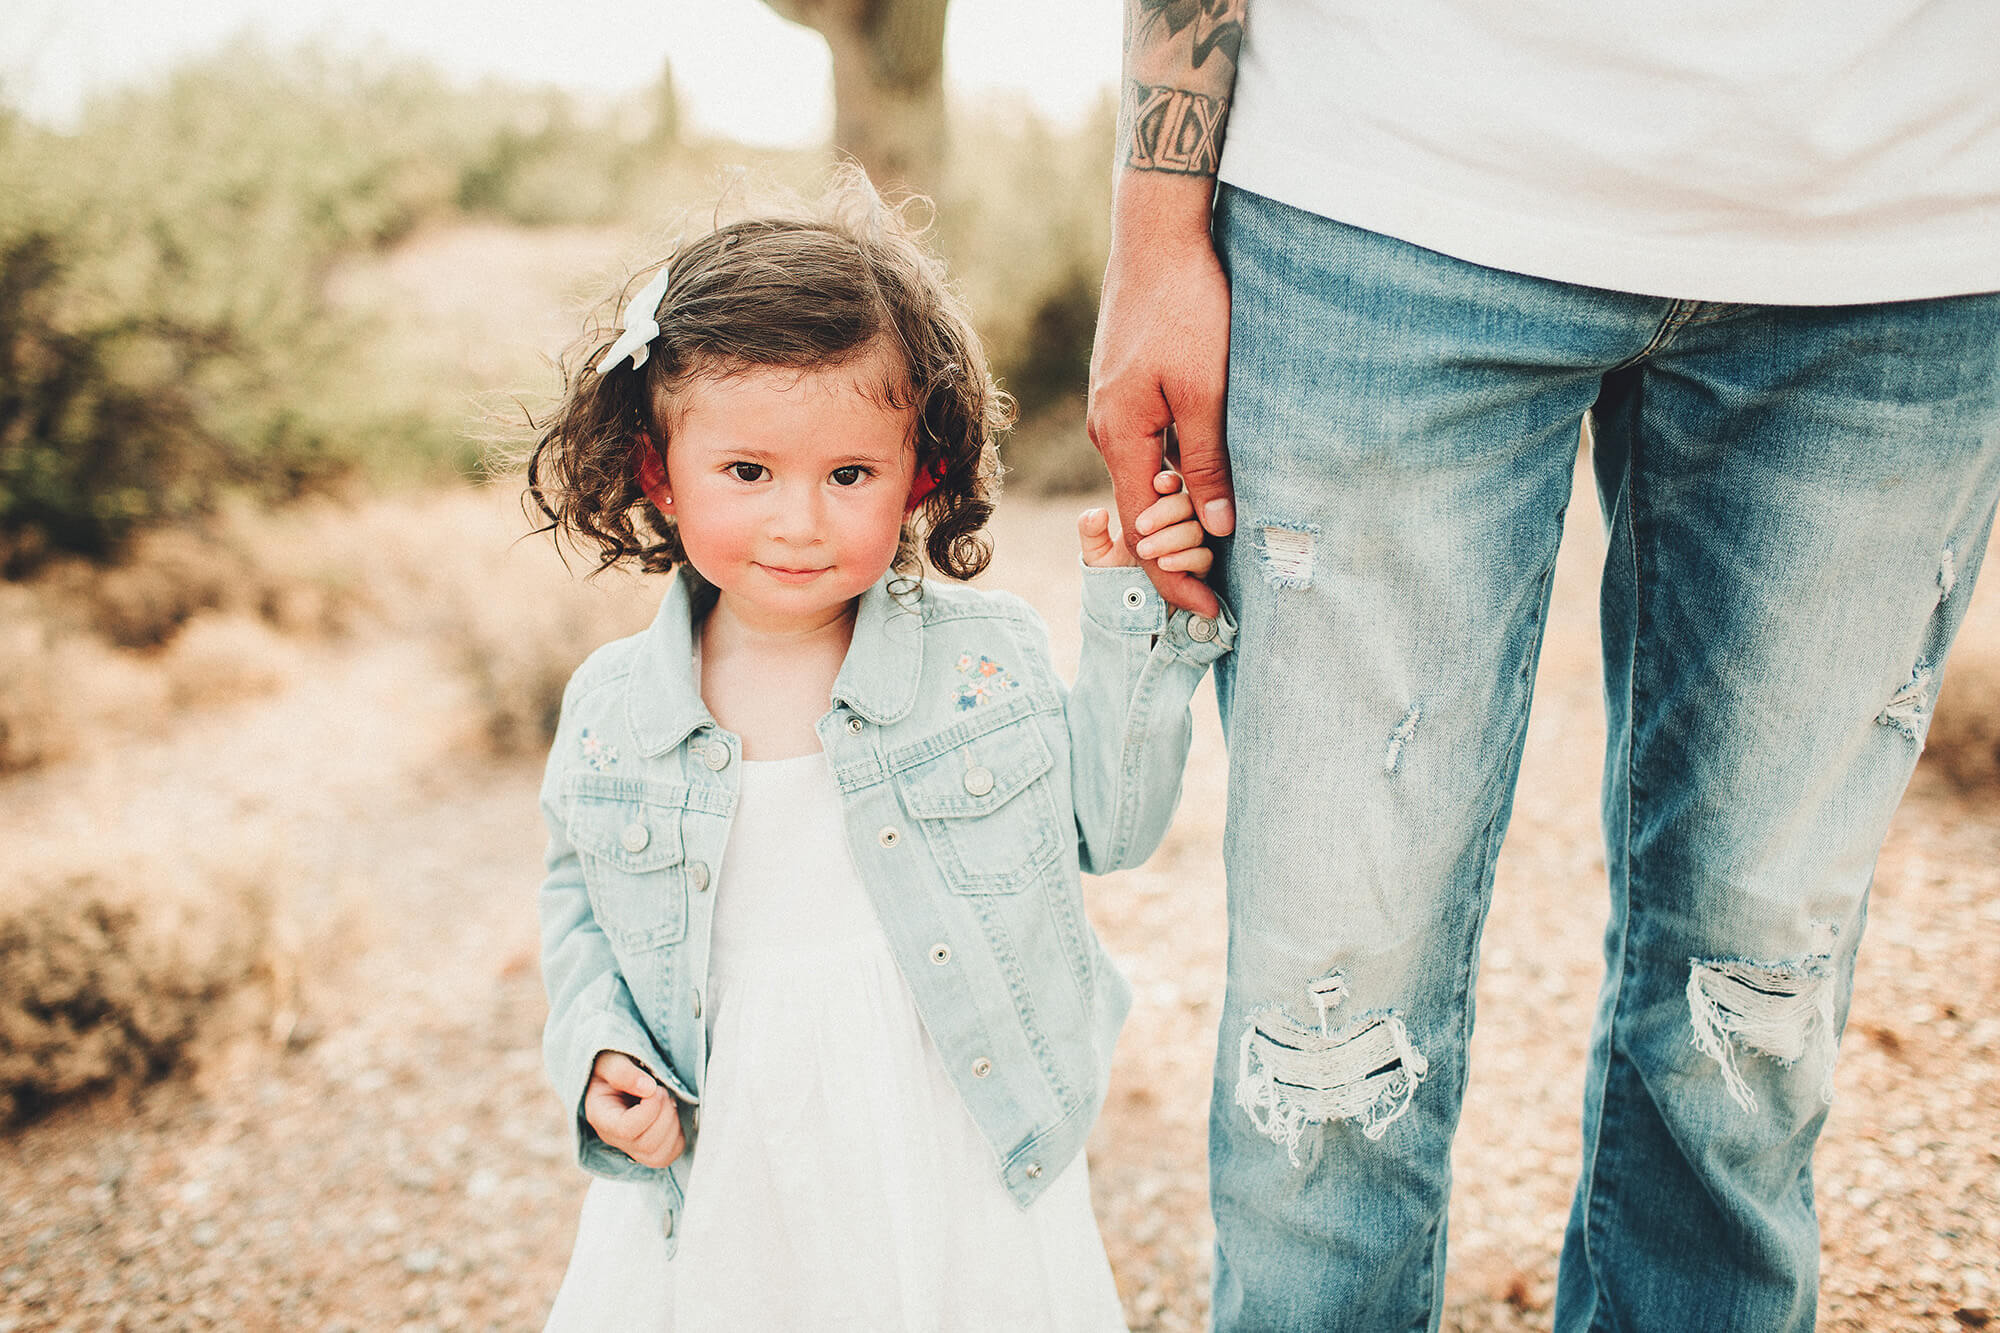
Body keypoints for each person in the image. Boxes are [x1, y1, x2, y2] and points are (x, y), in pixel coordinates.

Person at [1087, 2, 2000, 1330]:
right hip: (1387, 184)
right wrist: (1156, 218)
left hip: (1903, 224)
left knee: (1750, 1033)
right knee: (1332, 1038)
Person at [523, 175, 1234, 1331]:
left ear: (921, 475)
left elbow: (1112, 828)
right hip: (725, 1128)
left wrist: (1134, 614)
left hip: (946, 1110)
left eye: (848, 475)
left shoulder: (980, 659)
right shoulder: (612, 709)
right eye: (746, 473)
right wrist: (598, 1049)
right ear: (660, 471)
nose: (797, 520)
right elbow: (579, 911)